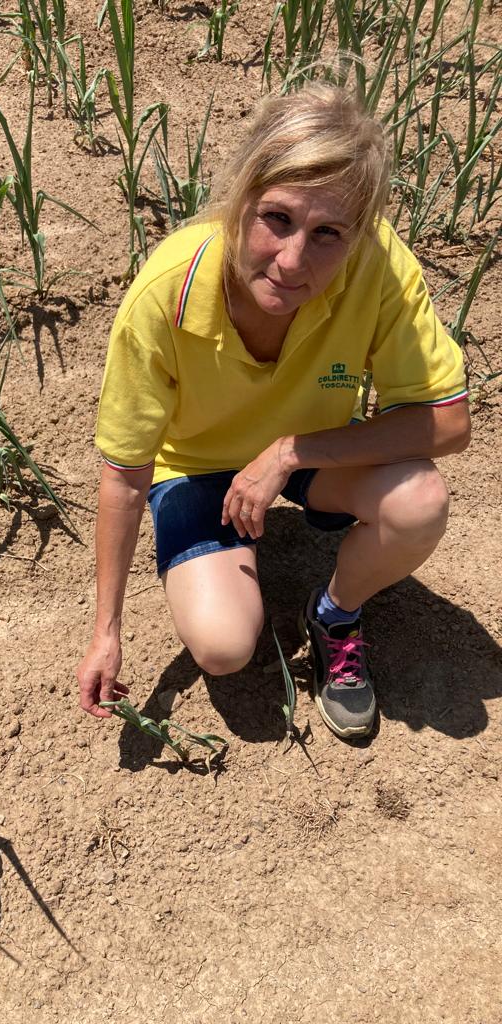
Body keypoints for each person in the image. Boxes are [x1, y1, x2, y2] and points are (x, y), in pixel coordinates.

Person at [76, 83, 471, 740]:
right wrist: (107, 633)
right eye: (277, 218)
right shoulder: (166, 291)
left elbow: (449, 422)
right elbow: (124, 474)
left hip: (311, 445)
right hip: (197, 463)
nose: (292, 261)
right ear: (239, 198)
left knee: (419, 502)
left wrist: (290, 452)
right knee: (224, 646)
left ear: (358, 235)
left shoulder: (377, 266)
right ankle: (224, 544)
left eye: (327, 234)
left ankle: (335, 613)